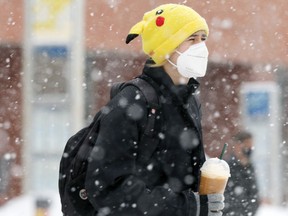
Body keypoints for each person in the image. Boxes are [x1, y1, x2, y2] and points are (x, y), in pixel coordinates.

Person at [84, 4, 225, 216]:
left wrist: (203, 196)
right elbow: (107, 188)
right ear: (166, 47)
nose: (201, 47)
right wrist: (188, 206)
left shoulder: (190, 99)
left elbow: (184, 176)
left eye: (203, 38)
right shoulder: (133, 101)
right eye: (192, 39)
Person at [223, 131, 260, 216]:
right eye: (247, 144)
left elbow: (254, 194)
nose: (250, 147)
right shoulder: (226, 166)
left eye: (251, 144)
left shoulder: (250, 167)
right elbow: (224, 197)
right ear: (237, 145)